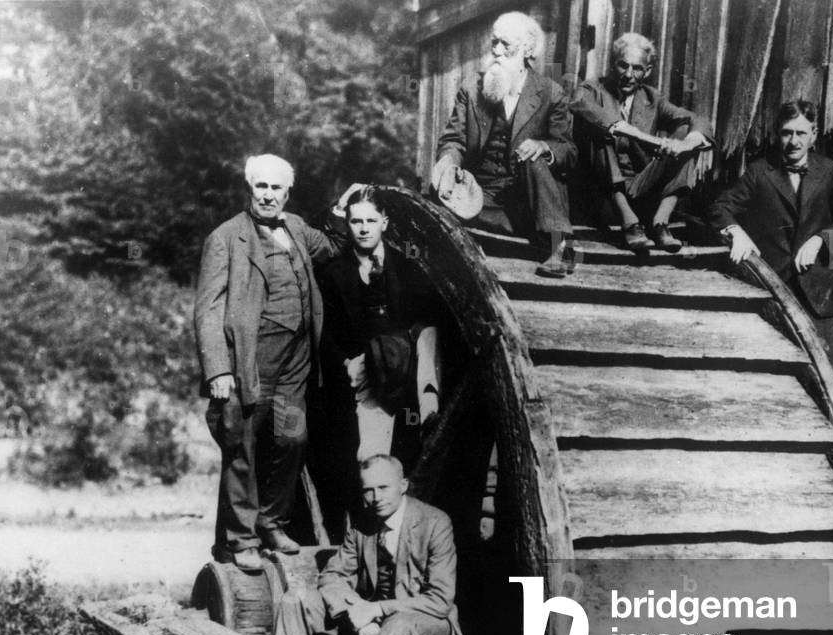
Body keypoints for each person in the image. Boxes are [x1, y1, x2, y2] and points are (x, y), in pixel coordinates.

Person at [194, 154, 338, 572]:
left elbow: (332, 246)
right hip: (247, 363)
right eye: (262, 187)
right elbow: (208, 309)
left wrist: (344, 210)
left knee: (291, 439)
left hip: (295, 364)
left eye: (277, 188)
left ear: (287, 193)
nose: (269, 195)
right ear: (249, 189)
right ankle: (240, 540)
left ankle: (272, 521)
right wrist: (217, 369)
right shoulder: (226, 238)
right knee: (242, 447)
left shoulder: (295, 227)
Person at [251, 454, 466, 635]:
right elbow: (332, 576)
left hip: (428, 624)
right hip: (373, 616)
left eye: (383, 488)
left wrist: (377, 611)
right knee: (297, 599)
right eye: (368, 489)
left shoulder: (435, 522)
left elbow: (439, 600)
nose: (375, 497)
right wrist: (358, 613)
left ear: (403, 485)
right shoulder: (362, 523)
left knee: (398, 625)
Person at [708, 100, 833, 373]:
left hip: (818, 294)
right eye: (787, 133)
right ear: (777, 134)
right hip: (772, 290)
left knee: (824, 375)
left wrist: (820, 240)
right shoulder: (759, 171)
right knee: (772, 372)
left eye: (801, 133)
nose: (793, 141)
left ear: (814, 135)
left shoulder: (829, 171)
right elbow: (720, 208)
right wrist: (736, 232)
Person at [431, 11, 577, 278]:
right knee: (437, 201)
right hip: (481, 195)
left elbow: (568, 151)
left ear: (527, 50)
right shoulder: (472, 89)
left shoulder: (550, 93)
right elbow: (454, 140)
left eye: (505, 44)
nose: (496, 50)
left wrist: (544, 147)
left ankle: (560, 246)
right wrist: (448, 164)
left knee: (535, 158)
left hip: (527, 198)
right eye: (494, 42)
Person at [318, 186, 445, 467]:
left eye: (371, 221)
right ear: (347, 224)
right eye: (356, 221)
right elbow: (324, 332)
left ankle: (429, 408)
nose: (364, 229)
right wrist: (346, 363)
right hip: (369, 371)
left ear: (384, 223)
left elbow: (428, 317)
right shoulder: (333, 273)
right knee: (372, 458)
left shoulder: (408, 267)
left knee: (428, 331)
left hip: (406, 365)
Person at [570, 32, 713, 253]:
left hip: (640, 187)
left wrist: (687, 143)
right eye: (622, 65)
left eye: (636, 68)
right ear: (612, 65)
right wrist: (640, 135)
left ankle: (660, 223)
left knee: (686, 132)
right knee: (601, 130)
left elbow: (698, 120)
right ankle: (629, 223)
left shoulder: (652, 98)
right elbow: (580, 105)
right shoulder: (592, 89)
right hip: (601, 197)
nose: (628, 74)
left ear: (647, 71)